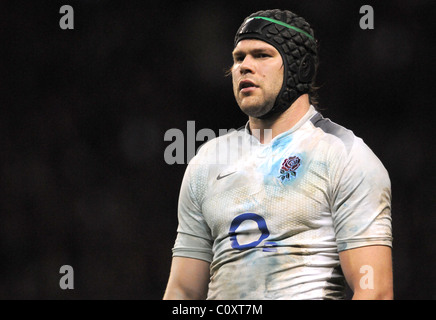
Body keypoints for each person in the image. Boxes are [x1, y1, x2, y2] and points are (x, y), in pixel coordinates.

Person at [163, 9, 393, 300]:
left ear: (302, 69)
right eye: (238, 58)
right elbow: (182, 292)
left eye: (261, 55)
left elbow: (374, 291)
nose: (245, 66)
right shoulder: (206, 162)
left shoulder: (346, 156)